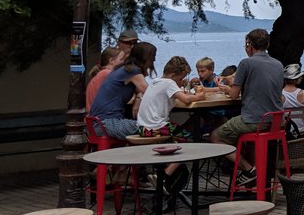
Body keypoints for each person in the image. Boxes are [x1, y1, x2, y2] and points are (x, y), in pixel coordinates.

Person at [213, 28, 284, 183]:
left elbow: (233, 95)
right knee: (246, 139)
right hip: (276, 121)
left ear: (249, 45)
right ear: (267, 44)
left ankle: (249, 170)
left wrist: (227, 89)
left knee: (216, 137)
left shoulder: (246, 63)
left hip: (255, 120)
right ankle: (252, 176)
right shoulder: (278, 64)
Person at [137, 55, 206, 193]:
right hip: (156, 127)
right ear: (173, 75)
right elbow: (186, 99)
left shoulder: (156, 82)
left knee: (178, 134)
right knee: (189, 140)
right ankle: (165, 175)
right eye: (180, 79)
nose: (181, 82)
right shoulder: (169, 83)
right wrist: (199, 96)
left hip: (143, 127)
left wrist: (180, 85)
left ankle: (169, 168)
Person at [89, 42, 157, 139]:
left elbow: (141, 90)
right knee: (154, 128)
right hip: (106, 124)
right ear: (145, 58)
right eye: (153, 57)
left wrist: (138, 98)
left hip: (98, 123)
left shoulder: (124, 69)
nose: (154, 60)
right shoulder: (132, 71)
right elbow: (152, 93)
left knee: (151, 128)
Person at [85, 46, 123, 112]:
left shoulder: (102, 73)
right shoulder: (107, 73)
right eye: (121, 59)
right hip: (100, 116)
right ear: (111, 61)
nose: (123, 62)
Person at [282, 64, 304, 135]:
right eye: (300, 76)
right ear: (295, 79)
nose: (301, 78)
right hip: (301, 130)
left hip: (286, 131)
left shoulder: (280, 94)